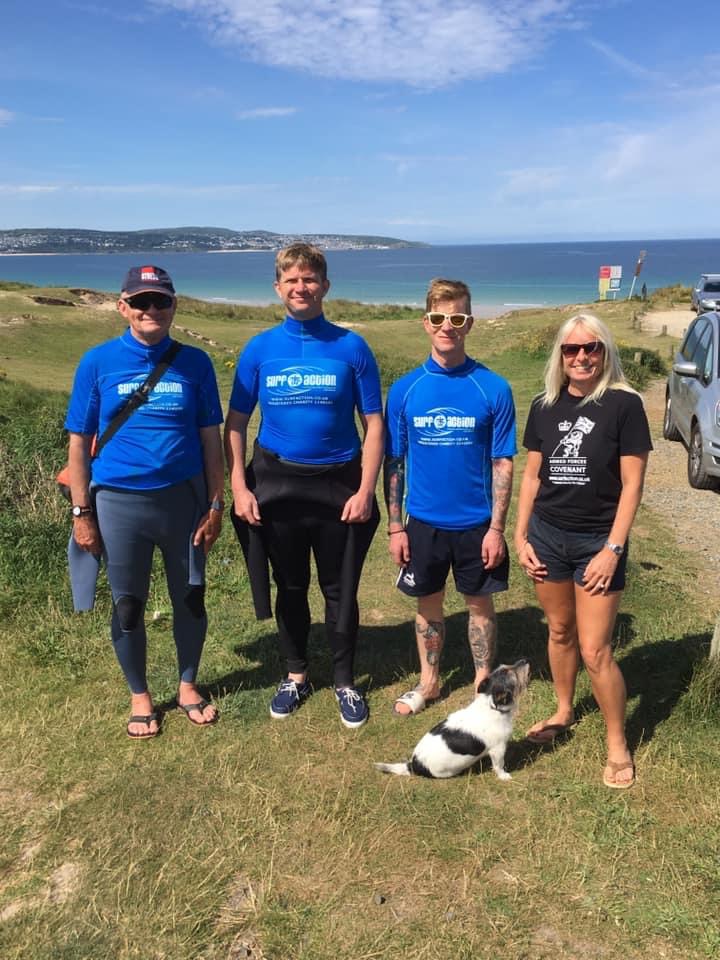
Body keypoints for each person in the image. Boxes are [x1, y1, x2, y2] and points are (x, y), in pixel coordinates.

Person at [225, 243, 382, 729]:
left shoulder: (350, 346)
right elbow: (235, 423)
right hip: (277, 483)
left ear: (325, 286)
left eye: (310, 278)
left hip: (339, 483)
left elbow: (374, 424)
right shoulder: (260, 349)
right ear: (278, 287)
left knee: (341, 588)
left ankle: (344, 681)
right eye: (291, 279)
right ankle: (295, 675)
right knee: (289, 586)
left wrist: (365, 489)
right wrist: (239, 486)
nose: (301, 287)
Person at [66, 265, 225, 739]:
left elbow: (210, 441)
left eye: (160, 301)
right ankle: (140, 695)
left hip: (184, 500)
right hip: (118, 503)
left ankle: (188, 684)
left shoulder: (195, 363)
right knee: (129, 604)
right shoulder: (97, 362)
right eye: (141, 302)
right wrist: (81, 512)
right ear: (123, 307)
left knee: (190, 597)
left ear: (174, 306)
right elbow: (79, 443)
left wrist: (217, 506)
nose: (150, 310)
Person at [513, 313, 652, 789]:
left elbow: (632, 485)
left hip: (597, 540)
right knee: (559, 630)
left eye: (590, 347)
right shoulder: (544, 405)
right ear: (560, 356)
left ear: (604, 350)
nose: (581, 357)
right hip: (548, 535)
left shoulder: (623, 405)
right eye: (571, 350)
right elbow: (532, 476)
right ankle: (564, 710)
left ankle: (617, 742)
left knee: (595, 650)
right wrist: (520, 535)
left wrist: (613, 548)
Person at [384, 278, 516, 715]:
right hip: (423, 521)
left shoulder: (492, 388)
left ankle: (483, 682)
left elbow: (503, 463)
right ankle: (430, 682)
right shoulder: (405, 390)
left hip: (477, 522)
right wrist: (396, 525)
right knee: (429, 604)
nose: (448, 327)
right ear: (426, 323)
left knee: (479, 604)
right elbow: (395, 463)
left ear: (469, 323)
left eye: (457, 318)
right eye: (439, 318)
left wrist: (498, 528)